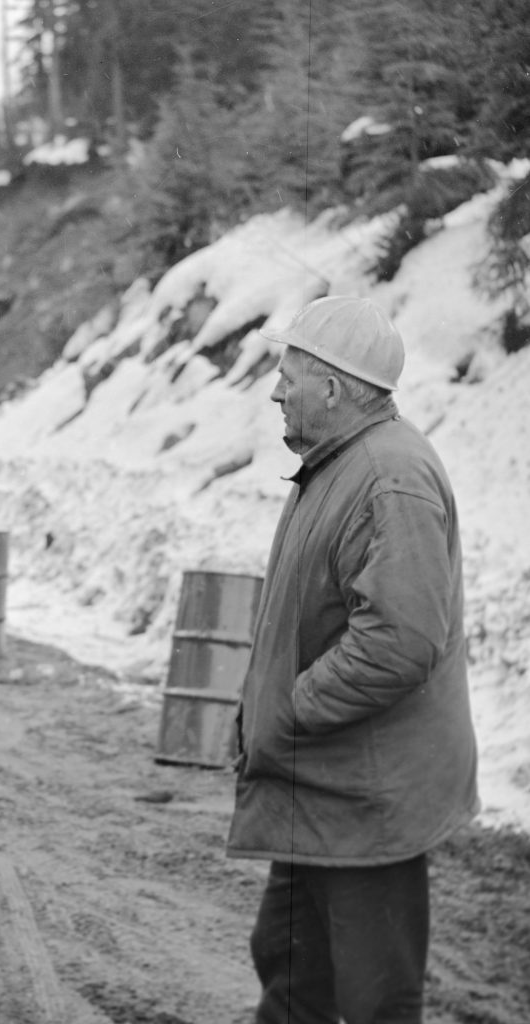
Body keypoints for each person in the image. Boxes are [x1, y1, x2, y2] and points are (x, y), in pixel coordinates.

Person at [227, 296, 479, 1024]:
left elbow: (397, 644)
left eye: (288, 376)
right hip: (326, 786)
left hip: (368, 799)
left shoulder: (386, 480)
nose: (275, 391)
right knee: (289, 969)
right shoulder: (343, 464)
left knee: (373, 1001)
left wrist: (291, 708)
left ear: (333, 389)